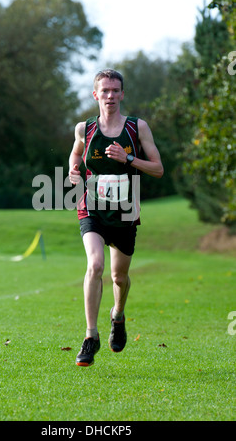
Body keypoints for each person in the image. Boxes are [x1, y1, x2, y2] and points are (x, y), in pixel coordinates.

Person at [68, 69, 164, 367]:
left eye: (115, 91)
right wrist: (73, 171)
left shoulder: (137, 128)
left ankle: (118, 316)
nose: (110, 96)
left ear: (122, 94)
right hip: (92, 207)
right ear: (95, 94)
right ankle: (90, 336)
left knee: (118, 277)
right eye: (104, 91)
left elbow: (158, 169)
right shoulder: (85, 129)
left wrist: (129, 159)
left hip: (124, 211)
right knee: (95, 264)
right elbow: (76, 155)